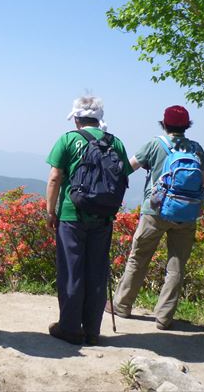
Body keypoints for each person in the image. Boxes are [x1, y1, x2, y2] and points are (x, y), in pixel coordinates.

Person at [108, 105, 204, 330]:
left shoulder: (155, 144)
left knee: (138, 258)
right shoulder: (196, 148)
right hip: (186, 214)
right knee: (176, 267)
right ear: (187, 125)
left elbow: (126, 168)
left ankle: (122, 305)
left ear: (164, 124)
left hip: (154, 211)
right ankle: (164, 318)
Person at [46, 96, 132, 346]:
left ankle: (70, 328)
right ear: (99, 118)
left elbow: (55, 178)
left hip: (72, 215)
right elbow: (123, 176)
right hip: (103, 216)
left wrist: (50, 211)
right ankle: (92, 331)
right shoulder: (115, 142)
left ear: (76, 118)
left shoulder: (67, 140)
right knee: (97, 271)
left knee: (72, 272)